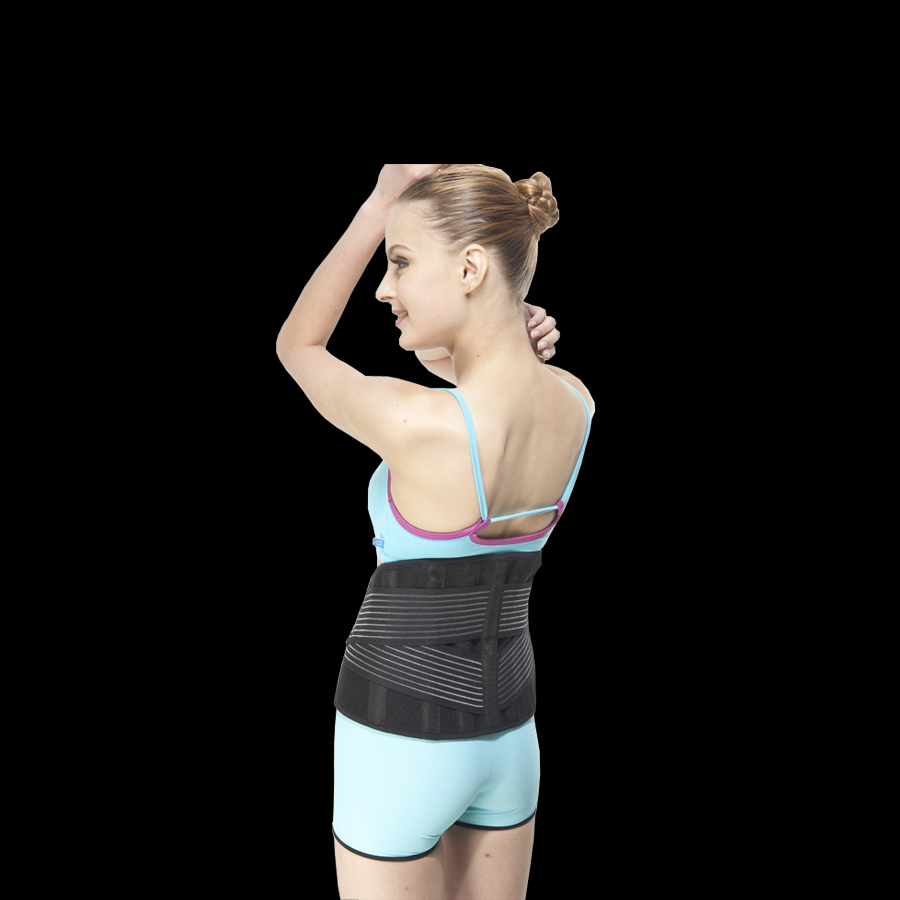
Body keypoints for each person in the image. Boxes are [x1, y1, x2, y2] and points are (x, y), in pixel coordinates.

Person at [276, 164, 594, 900]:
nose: (384, 288)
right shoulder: (576, 403)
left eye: (400, 261)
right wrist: (509, 323)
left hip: (399, 742)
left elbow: (298, 345)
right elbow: (473, 369)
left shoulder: (419, 424)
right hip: (511, 738)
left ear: (472, 268)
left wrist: (378, 205)